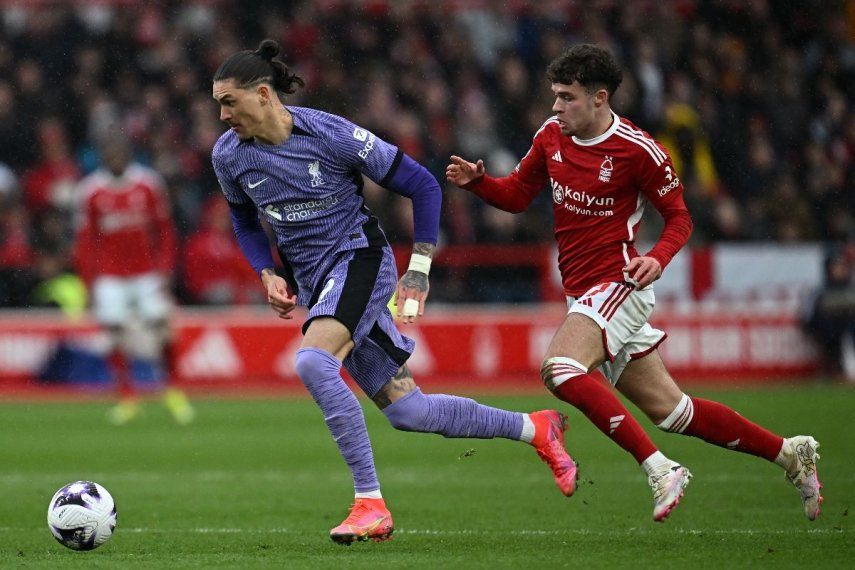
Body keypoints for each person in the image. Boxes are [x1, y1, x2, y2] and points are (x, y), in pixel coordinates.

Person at [211, 39, 578, 545]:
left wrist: (419, 268)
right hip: (319, 283)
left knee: (314, 363)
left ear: (265, 95)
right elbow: (243, 218)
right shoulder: (228, 155)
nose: (223, 115)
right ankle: (535, 428)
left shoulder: (330, 134)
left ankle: (370, 503)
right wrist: (264, 271)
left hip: (359, 259)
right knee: (408, 410)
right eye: (218, 105)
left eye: (230, 102)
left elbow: (423, 185)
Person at [447, 44, 823, 522]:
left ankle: (660, 469)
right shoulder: (550, 136)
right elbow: (519, 195)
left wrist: (658, 259)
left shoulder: (638, 150)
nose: (556, 107)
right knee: (674, 412)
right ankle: (791, 455)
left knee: (559, 367)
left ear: (600, 98)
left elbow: (679, 218)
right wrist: (481, 184)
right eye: (555, 96)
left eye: (567, 97)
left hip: (618, 281)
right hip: (582, 293)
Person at [74, 135, 194, 426]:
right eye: (109, 154)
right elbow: (85, 240)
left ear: (128, 156)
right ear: (103, 157)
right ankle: (128, 397)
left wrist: (165, 269)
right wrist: (88, 282)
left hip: (147, 273)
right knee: (113, 333)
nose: (114, 159)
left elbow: (164, 230)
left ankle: (173, 391)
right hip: (110, 275)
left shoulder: (148, 184)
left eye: (119, 154)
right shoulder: (91, 191)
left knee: (163, 329)